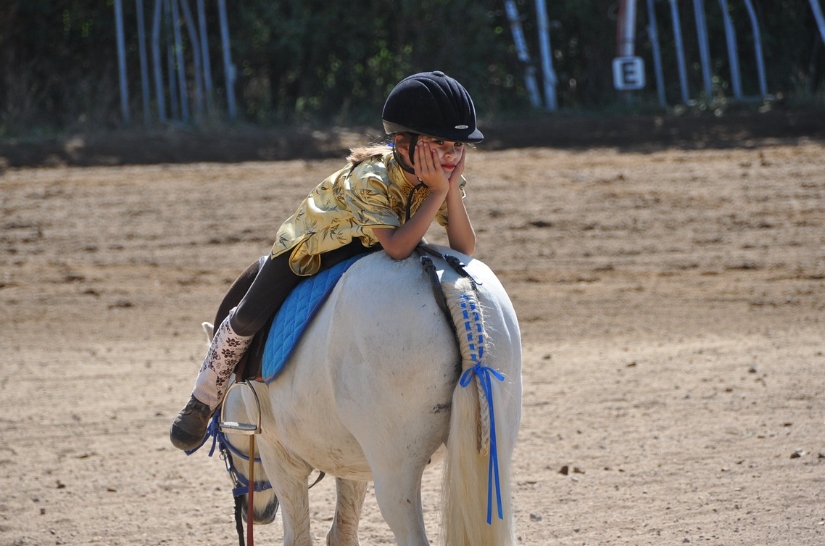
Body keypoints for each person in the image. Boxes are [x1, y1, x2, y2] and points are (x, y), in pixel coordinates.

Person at [170, 70, 484, 451]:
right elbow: (398, 248)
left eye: (458, 146)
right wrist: (437, 192)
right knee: (249, 315)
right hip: (310, 246)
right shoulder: (372, 178)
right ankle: (203, 399)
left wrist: (447, 189)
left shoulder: (443, 176)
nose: (451, 155)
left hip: (368, 246)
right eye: (439, 143)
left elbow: (463, 247)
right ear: (403, 142)